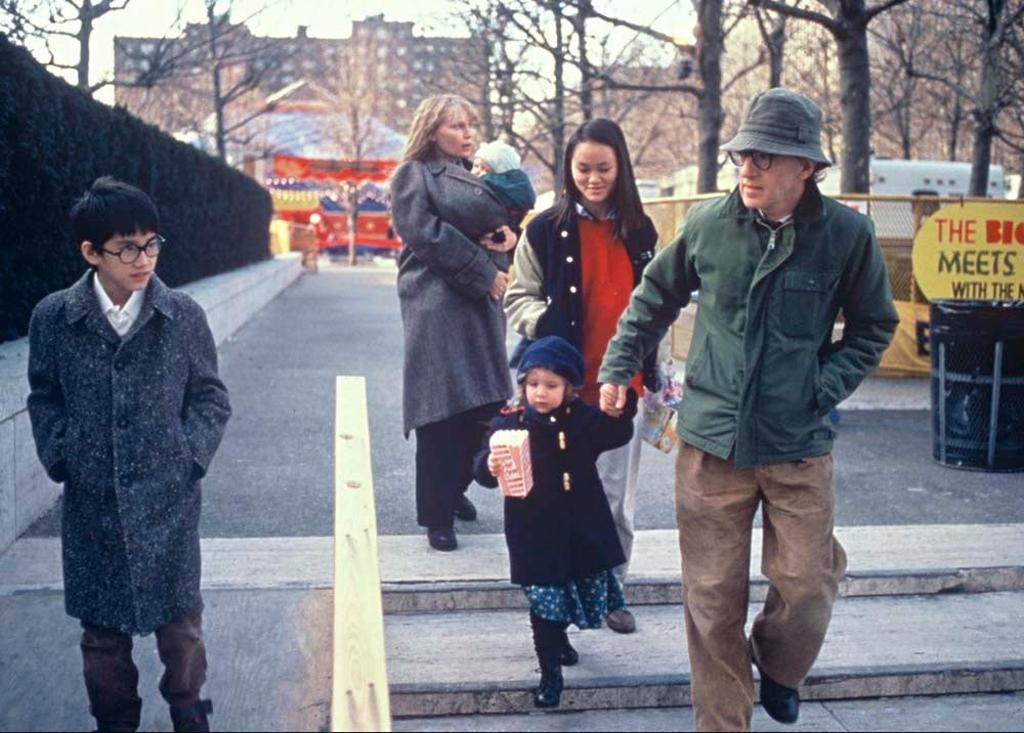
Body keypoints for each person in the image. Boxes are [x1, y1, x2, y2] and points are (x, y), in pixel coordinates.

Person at [597, 88, 899, 731]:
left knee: (809, 584)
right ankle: (723, 722)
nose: (748, 169)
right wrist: (619, 364)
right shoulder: (709, 223)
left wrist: (822, 386)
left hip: (798, 442)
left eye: (766, 158)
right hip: (710, 445)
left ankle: (781, 668)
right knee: (710, 599)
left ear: (806, 168)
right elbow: (654, 297)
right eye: (743, 156)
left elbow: (875, 326)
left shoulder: (848, 235)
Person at [26, 177, 232, 733]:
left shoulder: (182, 314)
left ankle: (190, 708)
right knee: (102, 638)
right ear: (91, 252)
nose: (144, 259)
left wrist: (190, 456)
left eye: (151, 243)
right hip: (93, 501)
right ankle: (115, 721)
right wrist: (62, 456)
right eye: (127, 248)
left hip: (169, 497)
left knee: (182, 627)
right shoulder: (54, 317)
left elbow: (210, 396)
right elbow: (43, 396)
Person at [505, 117, 658, 633]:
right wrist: (544, 323)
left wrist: (657, 377)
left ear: (622, 169)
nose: (594, 179)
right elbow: (516, 297)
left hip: (621, 387)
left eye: (605, 169)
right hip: (558, 390)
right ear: (569, 170)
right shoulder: (545, 229)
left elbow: (657, 306)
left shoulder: (641, 231)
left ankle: (613, 590)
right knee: (553, 497)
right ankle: (559, 600)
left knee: (615, 500)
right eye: (583, 169)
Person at [472, 336, 637, 709]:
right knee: (544, 601)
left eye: (551, 385)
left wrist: (621, 408)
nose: (540, 393)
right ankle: (550, 676)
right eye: (533, 384)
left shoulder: (582, 420)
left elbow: (617, 433)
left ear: (569, 388)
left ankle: (560, 639)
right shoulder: (509, 422)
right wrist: (489, 465)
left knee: (570, 593)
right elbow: (482, 462)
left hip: (579, 527)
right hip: (533, 532)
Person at [390, 94, 519, 552]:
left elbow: (496, 227)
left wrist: (508, 238)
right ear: (431, 131)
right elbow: (424, 235)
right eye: (456, 126)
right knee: (441, 412)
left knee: (482, 407)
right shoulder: (414, 174)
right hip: (437, 305)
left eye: (469, 125)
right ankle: (437, 514)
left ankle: (457, 486)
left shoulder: (474, 175)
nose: (467, 134)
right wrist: (483, 271)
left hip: (478, 303)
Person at [471, 140, 537, 234]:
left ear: (500, 174)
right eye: (476, 166)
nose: (478, 172)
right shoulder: (520, 187)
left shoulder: (493, 189)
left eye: (486, 169)